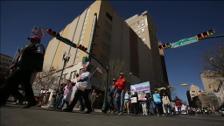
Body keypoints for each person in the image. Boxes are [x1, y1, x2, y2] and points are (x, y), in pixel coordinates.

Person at [0, 27, 45, 108]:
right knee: (25, 85)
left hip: (26, 68)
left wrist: (35, 67)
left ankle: (2, 99)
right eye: (31, 39)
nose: (30, 40)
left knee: (9, 81)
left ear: (37, 40)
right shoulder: (28, 47)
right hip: (22, 67)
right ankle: (30, 100)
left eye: (32, 39)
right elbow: (23, 58)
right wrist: (15, 64)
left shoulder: (39, 46)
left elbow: (39, 55)